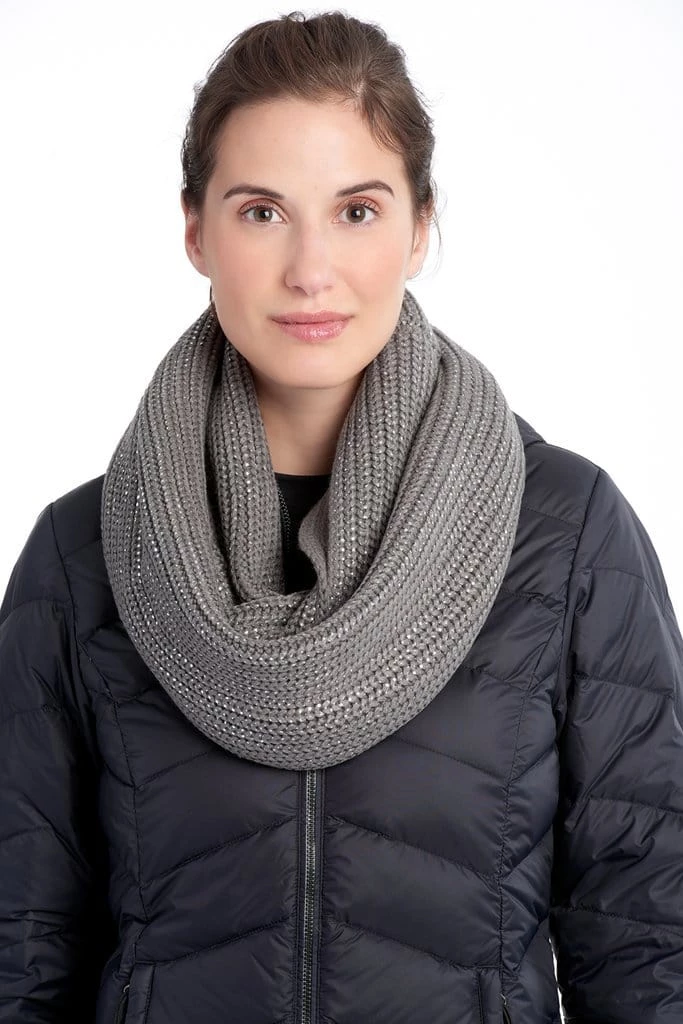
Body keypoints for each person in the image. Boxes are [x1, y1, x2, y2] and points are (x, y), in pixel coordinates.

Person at [0, 10, 681, 1024]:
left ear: (420, 226)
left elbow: (647, 942)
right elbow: (21, 955)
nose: (310, 269)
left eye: (356, 210)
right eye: (261, 212)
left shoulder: (565, 533)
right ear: (195, 230)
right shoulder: (84, 553)